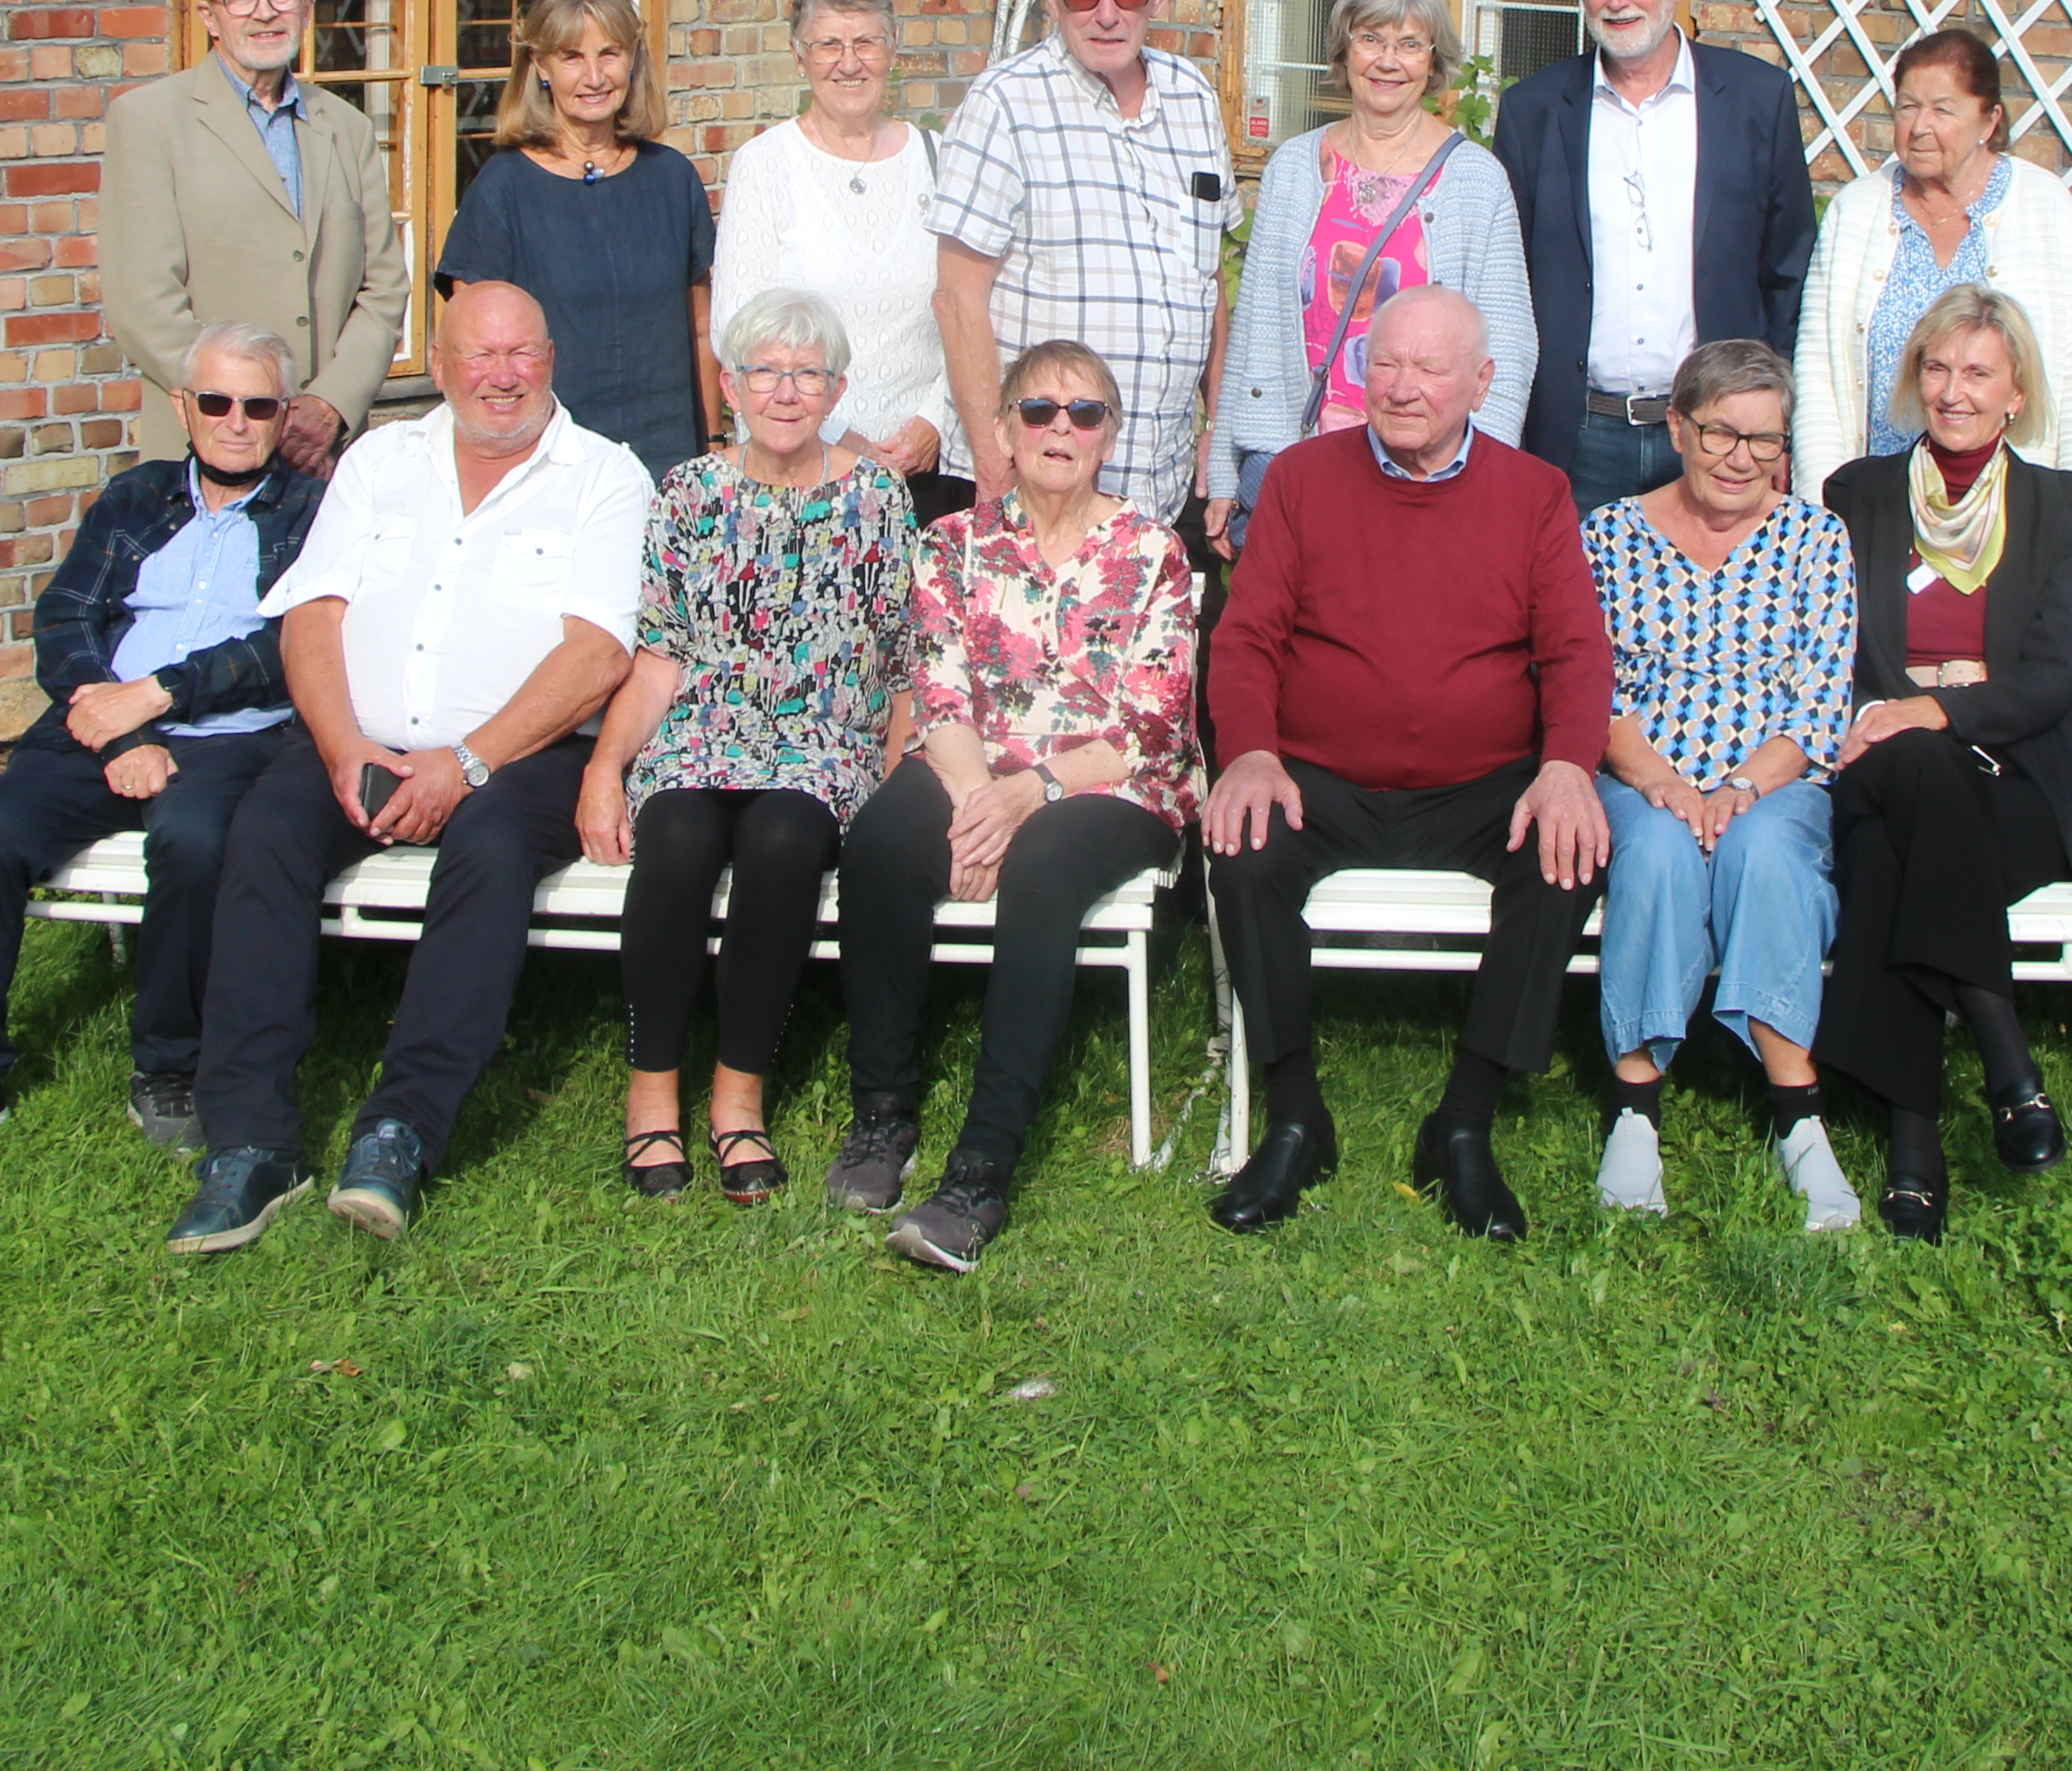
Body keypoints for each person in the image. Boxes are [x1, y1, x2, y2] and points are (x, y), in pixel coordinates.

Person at [162, 278, 648, 1254]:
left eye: (521, 356)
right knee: (264, 834)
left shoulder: (605, 475)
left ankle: (401, 1129)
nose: (501, 377)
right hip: (360, 739)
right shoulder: (380, 461)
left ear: (551, 362)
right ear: (440, 364)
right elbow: (315, 613)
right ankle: (248, 1140)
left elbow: (598, 652)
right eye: (480, 354)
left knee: (493, 851)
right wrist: (345, 748)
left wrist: (463, 765)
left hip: (521, 756)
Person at [1202, 286, 1613, 1241]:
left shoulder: (1535, 493)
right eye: (1385, 361)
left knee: (1571, 852)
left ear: (1481, 382)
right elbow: (1248, 636)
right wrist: (1253, 752)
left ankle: (1463, 1123)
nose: (1403, 386)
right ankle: (1296, 1114)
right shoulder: (1302, 480)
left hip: (1481, 786)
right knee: (1242, 845)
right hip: (1324, 779)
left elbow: (1576, 652)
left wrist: (1566, 767)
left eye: (1431, 368)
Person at [0, 323, 326, 1163]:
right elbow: (65, 619)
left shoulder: (313, 513)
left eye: (258, 405)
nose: (236, 421)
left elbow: (290, 647)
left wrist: (163, 696)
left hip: (231, 736)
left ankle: (169, 1065)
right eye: (216, 401)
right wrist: (122, 730)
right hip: (99, 729)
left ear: (286, 415)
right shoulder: (134, 498)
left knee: (193, 845)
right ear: (183, 407)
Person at [833, 339, 1203, 1272]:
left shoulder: (1152, 551)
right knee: (880, 840)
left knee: (1040, 870)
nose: (1060, 430)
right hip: (975, 767)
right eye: (1038, 411)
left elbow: (1153, 725)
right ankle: (883, 1115)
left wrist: (1024, 798)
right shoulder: (951, 546)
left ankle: (981, 1170)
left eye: (1084, 414)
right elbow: (941, 695)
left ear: (1109, 437)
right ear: (1001, 430)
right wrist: (974, 803)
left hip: (1108, 786)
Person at [576, 289, 918, 1205]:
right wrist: (606, 768)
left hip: (822, 744)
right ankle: (651, 1095)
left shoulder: (878, 497)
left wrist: (889, 788)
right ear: (730, 384)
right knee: (678, 838)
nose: (786, 391)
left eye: (807, 373)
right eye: (766, 371)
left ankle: (738, 1096)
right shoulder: (688, 494)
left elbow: (900, 670)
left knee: (782, 843)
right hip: (703, 733)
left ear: (837, 389)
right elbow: (658, 660)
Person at [1815, 285, 2072, 1241]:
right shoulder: (1857, 494)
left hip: (2020, 779)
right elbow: (1846, 657)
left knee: (1899, 851)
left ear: (2016, 392)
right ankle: (2005, 1063)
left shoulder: (2069, 506)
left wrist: (1927, 707)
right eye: (1937, 369)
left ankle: (1914, 1143)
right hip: (1891, 759)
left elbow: (2051, 680)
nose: (1953, 392)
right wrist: (1913, 713)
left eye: (1978, 373)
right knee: (1917, 777)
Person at [1582, 338, 1862, 1230]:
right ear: (1676, 427)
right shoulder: (1610, 536)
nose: (1742, 458)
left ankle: (1798, 1114)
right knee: (1659, 853)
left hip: (1774, 783)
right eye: (1720, 433)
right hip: (1644, 776)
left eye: (1765, 441)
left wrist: (1741, 785)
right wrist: (1664, 784)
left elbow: (1820, 705)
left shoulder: (1817, 540)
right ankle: (1635, 1108)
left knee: (1767, 854)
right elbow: (1590, 693)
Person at [1493, 0, 1818, 510]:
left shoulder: (1755, 99)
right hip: (1577, 436)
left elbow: (1789, 273)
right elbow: (1508, 288)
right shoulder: (1533, 112)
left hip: (1716, 435)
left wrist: (1772, 424)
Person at [1206, 0, 1538, 543]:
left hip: (1422, 473)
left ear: (1434, 61)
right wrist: (1224, 472)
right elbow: (1256, 321)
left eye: (1410, 44)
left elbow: (1508, 342)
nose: (1388, 61)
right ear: (1345, 50)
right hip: (1295, 462)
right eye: (1371, 39)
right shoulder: (1294, 168)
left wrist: (1479, 472)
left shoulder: (1474, 182)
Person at [930, 0, 1231, 523]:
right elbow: (958, 299)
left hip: (1161, 480)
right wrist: (994, 461)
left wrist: (1220, 432)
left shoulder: (1194, 98)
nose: (1106, 13)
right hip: (1038, 488)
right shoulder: (1004, 105)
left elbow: (1211, 283)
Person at [101, 0, 407, 472]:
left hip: (322, 454)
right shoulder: (150, 122)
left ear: (307, 8)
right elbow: (142, 303)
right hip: (204, 446)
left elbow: (383, 289)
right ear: (209, 16)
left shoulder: (348, 127)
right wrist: (253, 410)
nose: (265, 13)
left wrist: (329, 405)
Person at [1788, 29, 2072, 502]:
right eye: (1907, 106)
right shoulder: (1856, 211)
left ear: (1989, 120)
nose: (1921, 126)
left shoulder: (2044, 206)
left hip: (2012, 510)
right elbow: (1819, 379)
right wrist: (1823, 515)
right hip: (1877, 508)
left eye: (1943, 109)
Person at [433, 0, 718, 483]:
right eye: (571, 57)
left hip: (669, 461)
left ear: (633, 60)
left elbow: (700, 330)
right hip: (550, 466)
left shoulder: (673, 178)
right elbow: (473, 357)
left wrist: (714, 450)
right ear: (541, 67)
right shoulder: (503, 189)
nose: (594, 76)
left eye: (609, 53)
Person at [711, 0, 965, 523]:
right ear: (799, 57)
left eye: (865, 43)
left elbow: (973, 309)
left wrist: (933, 422)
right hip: (800, 469)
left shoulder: (939, 159)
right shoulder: (765, 166)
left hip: (925, 473)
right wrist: (838, 435)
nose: (849, 63)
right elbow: (735, 329)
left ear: (892, 51)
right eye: (828, 44)